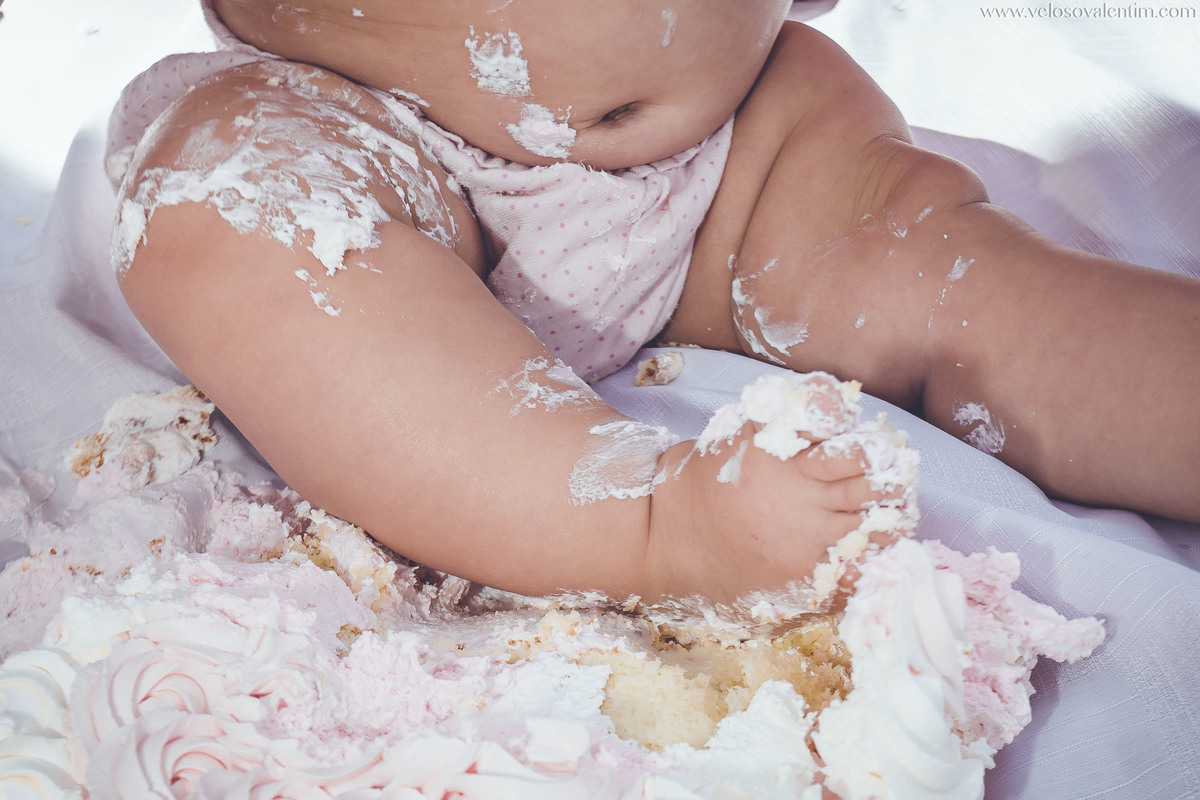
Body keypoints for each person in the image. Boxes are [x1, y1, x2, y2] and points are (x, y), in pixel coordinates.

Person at [109, 0, 1200, 605]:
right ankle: (635, 513)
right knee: (229, 216)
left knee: (960, 283)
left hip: (739, 158)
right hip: (368, 132)